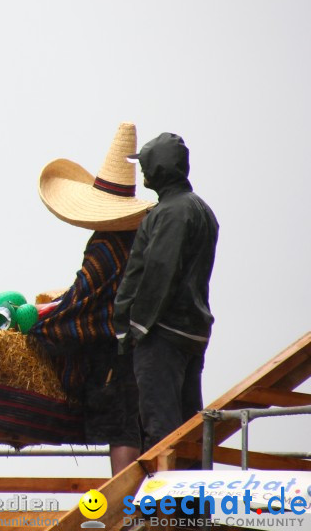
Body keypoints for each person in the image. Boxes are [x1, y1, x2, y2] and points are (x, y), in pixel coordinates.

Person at [30, 122, 155, 475]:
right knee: (141, 427)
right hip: (142, 346)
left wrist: (42, 326)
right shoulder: (139, 240)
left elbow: (83, 302)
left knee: (121, 428)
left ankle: (123, 507)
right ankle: (141, 506)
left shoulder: (105, 245)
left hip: (112, 352)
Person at [114, 132, 219, 453]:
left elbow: (159, 271)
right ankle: (194, 502)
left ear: (158, 168)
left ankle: (168, 502)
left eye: (145, 164)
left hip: (162, 333)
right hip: (191, 331)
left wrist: (135, 327)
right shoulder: (201, 209)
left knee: (161, 429)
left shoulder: (172, 213)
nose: (142, 171)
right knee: (190, 429)